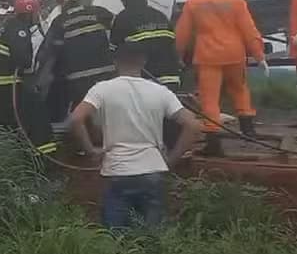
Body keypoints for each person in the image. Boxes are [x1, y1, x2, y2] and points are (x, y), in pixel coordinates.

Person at [69, 42, 201, 230]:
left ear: (115, 62)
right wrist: (171, 160)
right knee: (151, 238)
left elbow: (75, 119)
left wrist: (91, 150)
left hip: (117, 171)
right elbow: (193, 125)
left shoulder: (102, 89)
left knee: (116, 240)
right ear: (144, 61)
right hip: (152, 170)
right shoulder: (160, 91)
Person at [175, 0, 268, 155]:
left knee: (209, 98)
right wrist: (259, 56)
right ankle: (248, 131)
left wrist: (178, 55)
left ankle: (213, 144)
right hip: (234, 55)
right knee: (240, 90)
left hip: (208, 57)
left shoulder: (194, 1)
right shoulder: (235, 0)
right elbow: (249, 30)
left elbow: (182, 33)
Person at [0, 0, 58, 156]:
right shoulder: (20, 29)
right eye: (37, 12)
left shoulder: (10, 24)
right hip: (5, 85)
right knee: (36, 112)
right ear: (30, 13)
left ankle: (14, 156)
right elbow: (23, 59)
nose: (39, 15)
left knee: (8, 122)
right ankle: (43, 156)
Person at [46, 0, 116, 112]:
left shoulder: (59, 21)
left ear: (61, 3)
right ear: (78, 0)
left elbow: (52, 51)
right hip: (107, 74)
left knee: (82, 112)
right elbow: (118, 25)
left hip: (79, 79)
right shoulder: (98, 11)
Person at [110, 0, 182, 91]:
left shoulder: (122, 18)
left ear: (124, 0)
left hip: (145, 81)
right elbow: (174, 45)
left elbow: (113, 52)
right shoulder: (161, 16)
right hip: (171, 78)